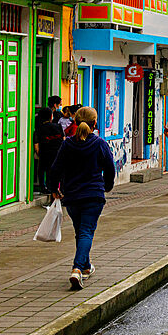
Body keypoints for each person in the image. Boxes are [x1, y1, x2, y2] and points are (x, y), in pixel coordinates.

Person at [48, 106, 115, 290]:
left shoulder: (68, 144)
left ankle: (85, 266)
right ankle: (77, 269)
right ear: (95, 123)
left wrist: (54, 189)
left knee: (81, 232)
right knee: (86, 232)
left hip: (73, 196)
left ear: (74, 122)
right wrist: (107, 186)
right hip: (93, 196)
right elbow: (110, 168)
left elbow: (56, 168)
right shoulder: (99, 143)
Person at [33, 107, 63, 194]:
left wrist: (39, 153)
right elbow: (63, 139)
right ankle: (54, 188)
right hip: (57, 153)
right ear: (51, 116)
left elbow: (36, 145)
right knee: (55, 171)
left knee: (42, 170)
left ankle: (43, 187)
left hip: (44, 154)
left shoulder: (39, 129)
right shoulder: (58, 126)